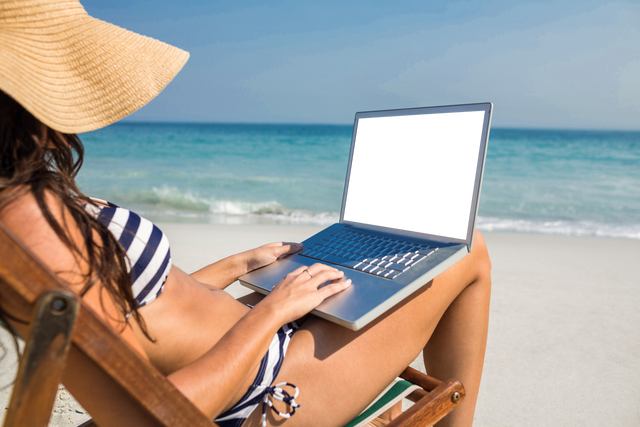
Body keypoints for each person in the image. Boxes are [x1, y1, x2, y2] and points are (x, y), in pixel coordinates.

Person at [0, 1, 491, 426]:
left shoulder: (21, 209)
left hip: (260, 343)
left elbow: (143, 314)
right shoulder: (36, 231)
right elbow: (153, 416)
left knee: (363, 274)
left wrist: (240, 266)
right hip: (273, 390)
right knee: (471, 252)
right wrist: (274, 311)